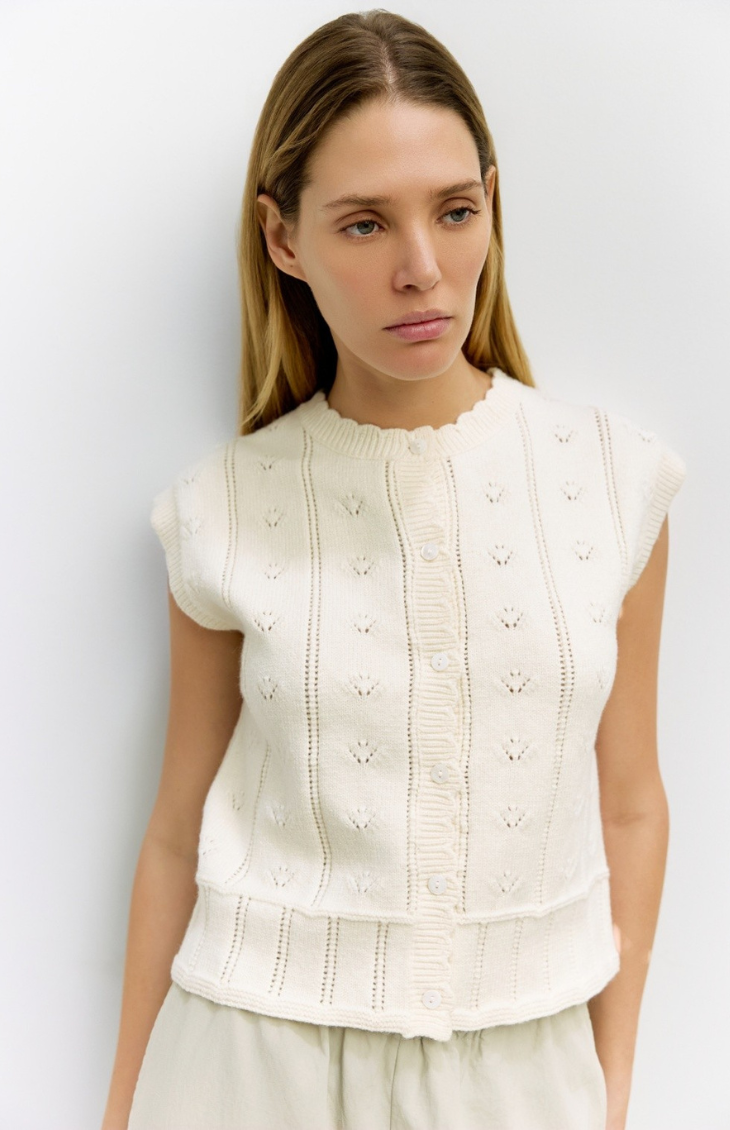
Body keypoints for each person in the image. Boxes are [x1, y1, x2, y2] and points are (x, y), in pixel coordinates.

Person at [101, 10, 687, 1130]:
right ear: (282, 238)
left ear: (492, 204)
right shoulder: (224, 507)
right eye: (365, 224)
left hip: (523, 1068)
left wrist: (609, 1088)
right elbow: (175, 829)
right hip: (244, 1064)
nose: (422, 270)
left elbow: (630, 804)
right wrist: (120, 1108)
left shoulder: (613, 485)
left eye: (455, 211)